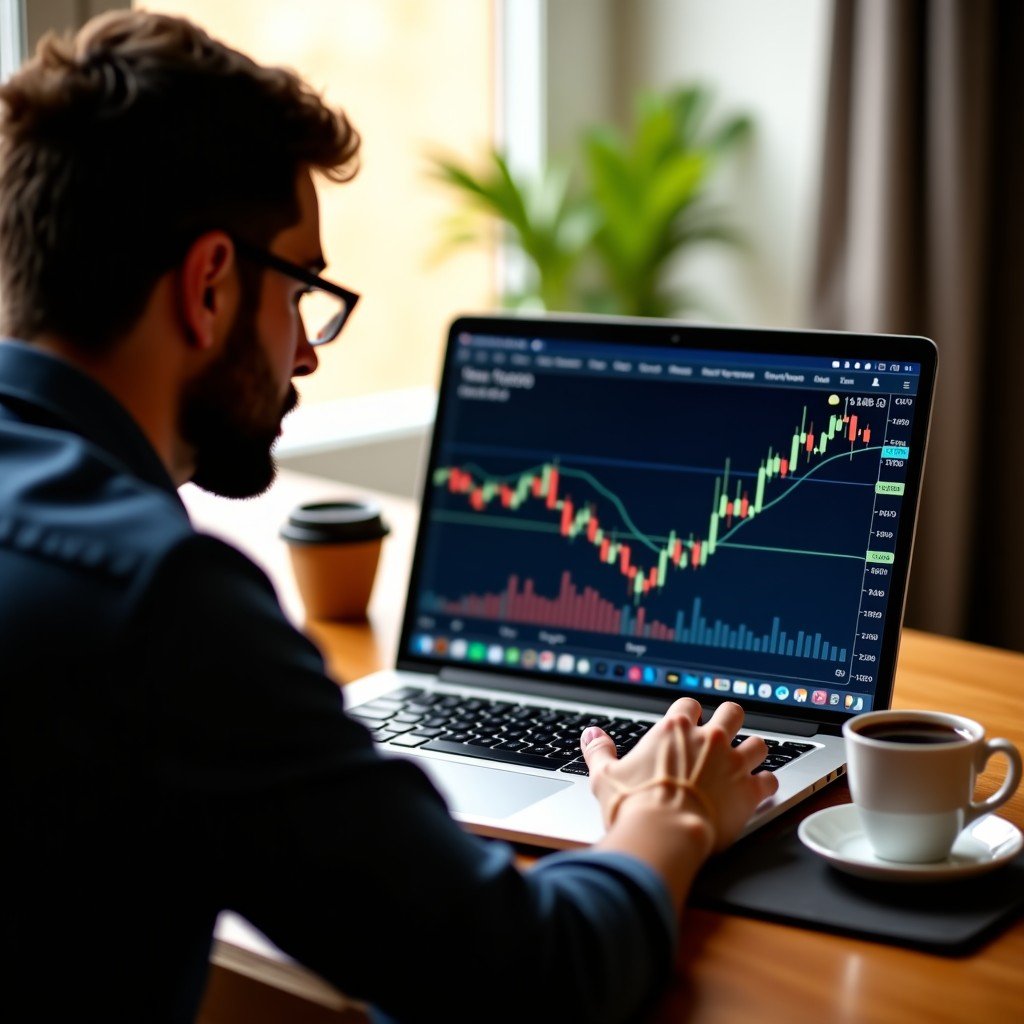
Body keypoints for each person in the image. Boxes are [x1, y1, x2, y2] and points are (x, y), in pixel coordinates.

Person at [0, 11, 778, 1023]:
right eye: (303, 289)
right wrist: (663, 811)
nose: (309, 350)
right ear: (208, 286)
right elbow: (532, 980)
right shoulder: (158, 604)